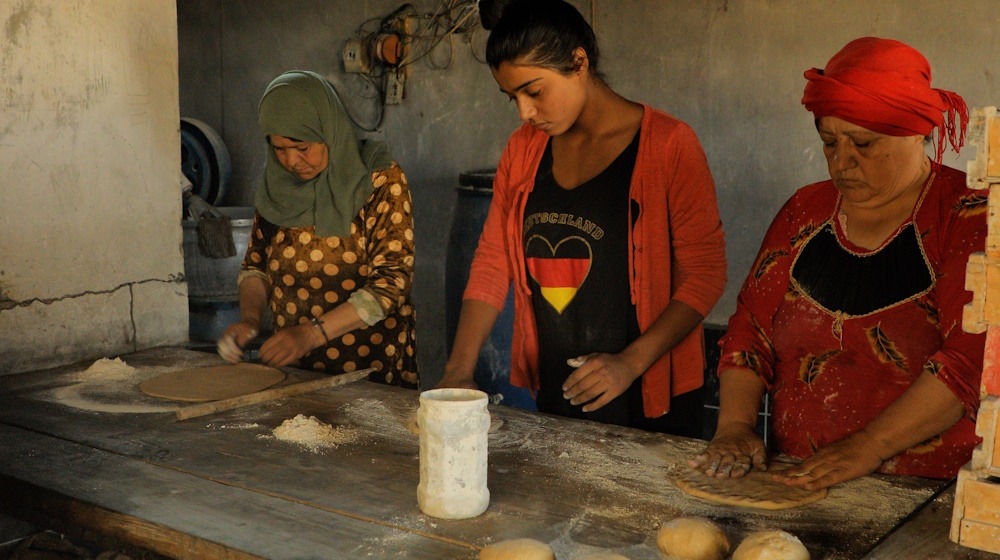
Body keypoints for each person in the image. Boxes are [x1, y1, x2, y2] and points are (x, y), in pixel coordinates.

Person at [690, 37, 986, 489]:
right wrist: (734, 427)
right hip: (798, 478)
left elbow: (970, 360)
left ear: (917, 132)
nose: (841, 161)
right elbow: (751, 328)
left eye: (863, 144)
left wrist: (869, 445)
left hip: (928, 491)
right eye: (829, 142)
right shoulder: (804, 211)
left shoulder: (968, 215)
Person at [437, 0, 726, 436]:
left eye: (533, 91)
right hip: (559, 391)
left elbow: (706, 274)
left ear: (578, 61)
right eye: (511, 97)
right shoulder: (524, 150)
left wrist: (629, 364)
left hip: (649, 397)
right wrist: (458, 370)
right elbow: (493, 262)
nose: (524, 112)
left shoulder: (668, 145)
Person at [217, 70, 418, 388]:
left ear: (329, 131)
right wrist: (250, 320)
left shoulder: (377, 180)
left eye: (302, 148)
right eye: (279, 150)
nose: (291, 162)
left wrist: (311, 333)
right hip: (295, 373)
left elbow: (390, 285)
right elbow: (256, 267)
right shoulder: (278, 187)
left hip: (372, 375)